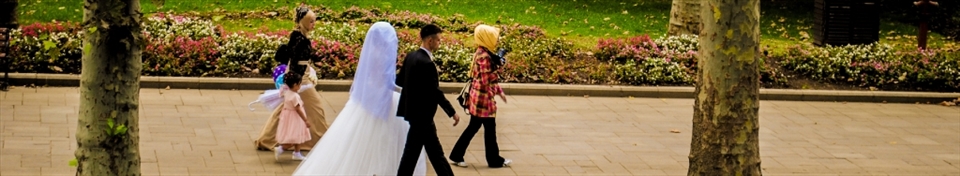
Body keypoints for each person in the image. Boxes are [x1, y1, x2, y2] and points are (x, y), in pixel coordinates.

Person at [292, 22, 428, 175]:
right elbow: (387, 82)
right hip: (384, 100)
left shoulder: (372, 52)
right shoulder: (384, 54)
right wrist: (405, 90)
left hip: (367, 100)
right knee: (385, 142)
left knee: (358, 141)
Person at [254, 4, 330, 152]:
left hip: (300, 76)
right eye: (311, 21)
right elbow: (295, 60)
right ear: (303, 22)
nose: (314, 24)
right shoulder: (300, 39)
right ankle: (319, 139)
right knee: (315, 107)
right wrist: (295, 83)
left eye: (315, 21)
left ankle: (268, 139)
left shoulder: (299, 36)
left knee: (286, 108)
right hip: (300, 78)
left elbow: (297, 58)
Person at [396, 24, 461, 176]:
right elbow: (435, 92)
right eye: (438, 40)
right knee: (435, 154)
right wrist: (451, 112)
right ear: (430, 41)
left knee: (413, 154)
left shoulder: (411, 56)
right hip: (423, 116)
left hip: (413, 113)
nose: (440, 43)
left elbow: (400, 81)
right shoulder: (427, 63)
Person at [449, 24, 512, 168]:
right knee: (488, 130)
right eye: (493, 38)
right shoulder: (484, 57)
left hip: (479, 98)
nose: (496, 41)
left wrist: (499, 90)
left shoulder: (482, 52)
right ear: (486, 38)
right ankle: (493, 160)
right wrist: (496, 68)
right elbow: (485, 81)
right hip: (483, 100)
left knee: (476, 128)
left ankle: (457, 155)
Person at [274, 72, 312, 161]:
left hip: (288, 116)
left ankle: (297, 153)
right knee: (294, 138)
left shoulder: (287, 92)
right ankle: (281, 149)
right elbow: (298, 109)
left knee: (297, 135)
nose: (300, 86)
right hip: (295, 118)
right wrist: (305, 120)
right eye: (299, 84)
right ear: (295, 85)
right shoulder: (295, 96)